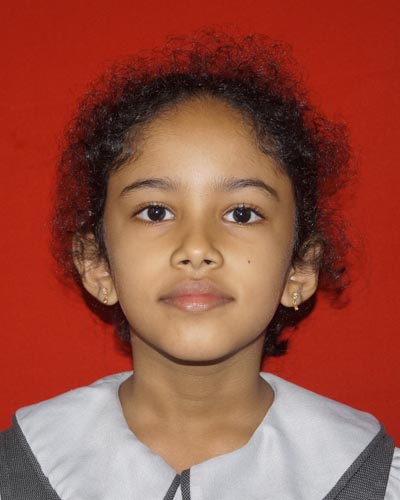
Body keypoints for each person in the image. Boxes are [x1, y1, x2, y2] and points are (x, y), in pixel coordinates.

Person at [0, 30, 398, 500]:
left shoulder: (374, 480)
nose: (196, 247)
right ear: (97, 265)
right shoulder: (17, 471)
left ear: (300, 270)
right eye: (155, 212)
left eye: (242, 214)